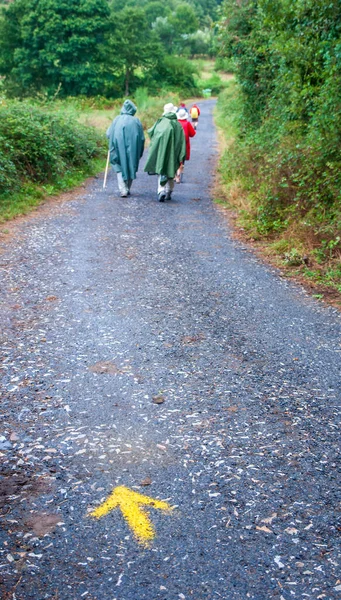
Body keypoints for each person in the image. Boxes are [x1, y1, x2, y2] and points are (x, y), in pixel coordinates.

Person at [144, 103, 186, 202]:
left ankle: (161, 190)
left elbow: (151, 133)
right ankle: (169, 191)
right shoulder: (177, 125)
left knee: (161, 170)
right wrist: (181, 155)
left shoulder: (160, 122)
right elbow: (181, 141)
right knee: (171, 172)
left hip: (161, 151)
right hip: (173, 153)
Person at [106, 99, 145, 198]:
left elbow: (108, 133)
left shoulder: (116, 119)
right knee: (131, 165)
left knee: (118, 165)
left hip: (117, 147)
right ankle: (127, 187)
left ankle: (123, 189)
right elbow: (142, 138)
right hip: (133, 148)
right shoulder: (136, 121)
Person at [174, 107, 196, 183]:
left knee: (174, 159)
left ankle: (174, 175)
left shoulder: (175, 123)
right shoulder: (187, 124)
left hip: (175, 145)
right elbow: (192, 134)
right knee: (181, 161)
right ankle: (178, 176)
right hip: (185, 146)